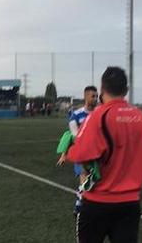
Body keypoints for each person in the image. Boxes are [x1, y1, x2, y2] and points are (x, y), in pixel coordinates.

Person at [68, 67, 142, 243]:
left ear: (102, 90)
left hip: (98, 202)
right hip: (130, 204)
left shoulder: (97, 116)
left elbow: (79, 154)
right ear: (126, 90)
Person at [56, 86, 99, 214]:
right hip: (83, 154)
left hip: (98, 154)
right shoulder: (76, 115)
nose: (96, 99)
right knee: (85, 181)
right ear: (86, 97)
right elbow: (73, 137)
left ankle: (80, 203)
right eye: (93, 96)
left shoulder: (100, 113)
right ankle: (80, 207)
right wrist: (64, 154)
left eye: (97, 96)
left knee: (94, 183)